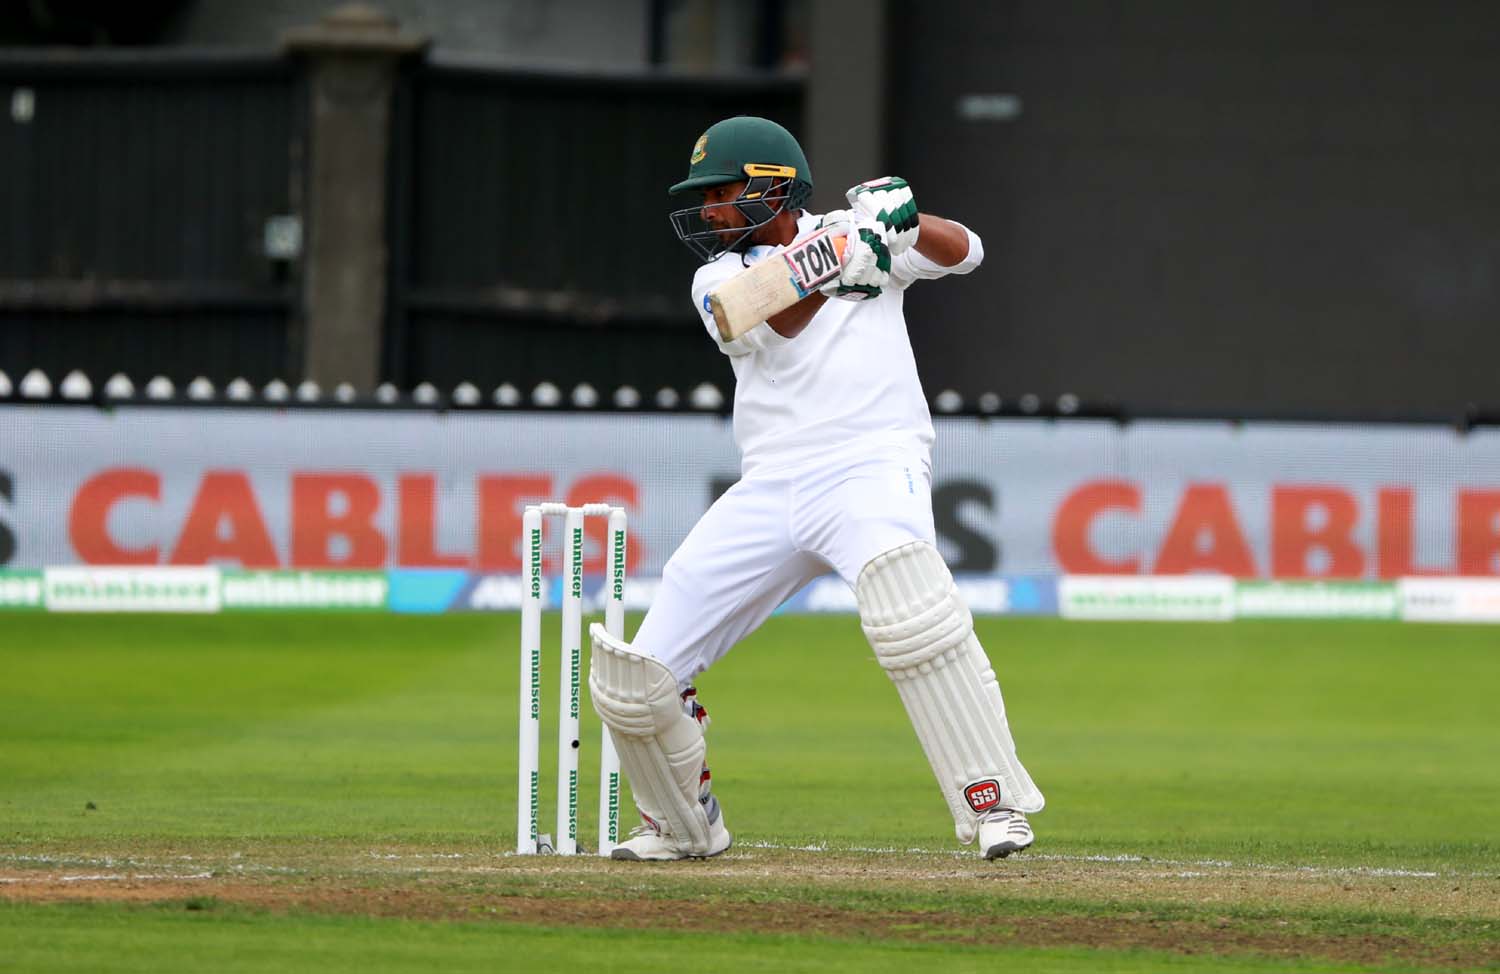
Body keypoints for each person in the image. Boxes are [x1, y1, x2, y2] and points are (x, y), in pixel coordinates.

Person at [588, 115, 1043, 862]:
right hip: (770, 484)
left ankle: (993, 805)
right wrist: (840, 260)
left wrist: (902, 218)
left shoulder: (858, 230)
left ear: (772, 186)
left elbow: (966, 251)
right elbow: (768, 316)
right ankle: (682, 823)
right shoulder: (720, 275)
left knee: (912, 616)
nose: (708, 211)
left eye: (720, 193)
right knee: (638, 677)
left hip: (870, 464)